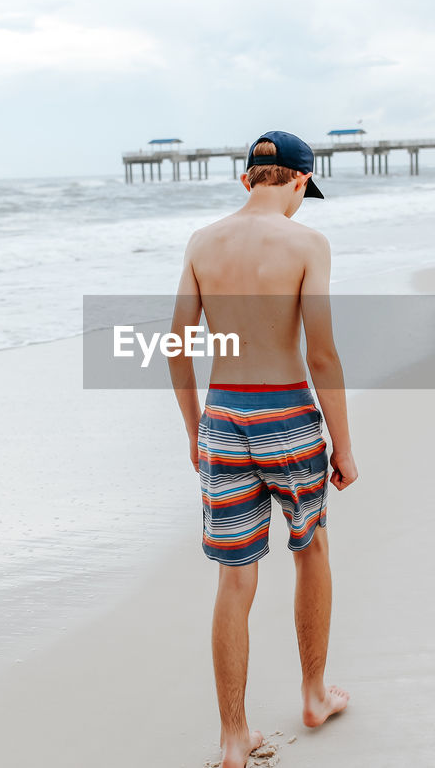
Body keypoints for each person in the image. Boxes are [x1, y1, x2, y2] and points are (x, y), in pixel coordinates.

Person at [167, 130, 359, 768]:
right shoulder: (306, 242)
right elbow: (323, 351)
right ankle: (312, 694)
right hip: (287, 414)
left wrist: (196, 429)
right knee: (312, 550)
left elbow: (177, 347)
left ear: (247, 179)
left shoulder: (202, 243)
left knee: (235, 579)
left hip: (223, 417)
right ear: (301, 181)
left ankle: (232, 737)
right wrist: (344, 446)